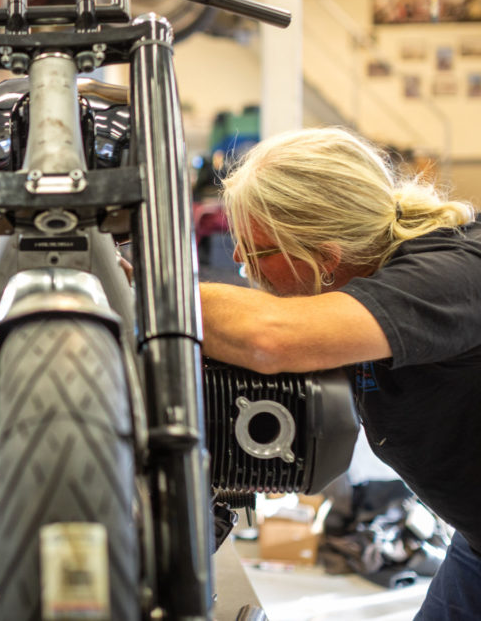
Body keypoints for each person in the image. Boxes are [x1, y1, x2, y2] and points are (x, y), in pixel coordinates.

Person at [200, 126, 481, 619]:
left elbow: (270, 337)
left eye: (256, 248)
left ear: (325, 257)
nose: (241, 260)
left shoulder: (455, 274)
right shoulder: (354, 283)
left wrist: (147, 294)